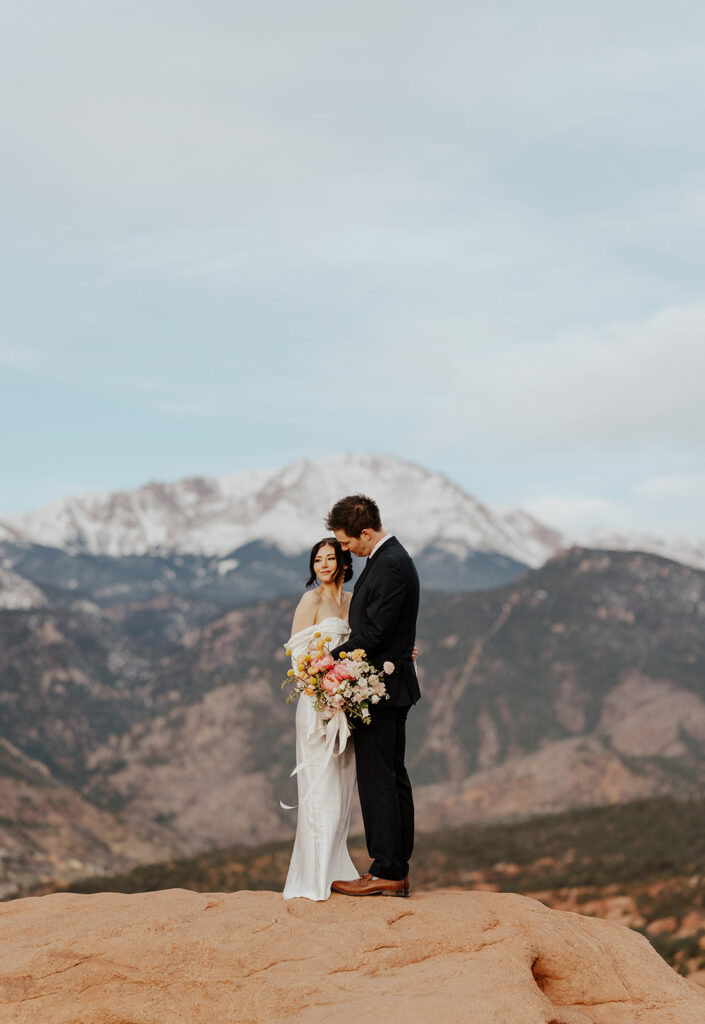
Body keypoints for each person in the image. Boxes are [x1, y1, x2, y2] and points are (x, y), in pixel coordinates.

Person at [326, 493, 420, 898]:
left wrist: (328, 661)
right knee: (391, 776)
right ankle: (394, 865)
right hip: (386, 685)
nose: (345, 551)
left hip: (382, 689)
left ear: (366, 532)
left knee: (379, 778)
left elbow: (376, 633)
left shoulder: (392, 565)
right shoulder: (385, 560)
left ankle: (387, 869)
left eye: (347, 543)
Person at [281, 537, 359, 900]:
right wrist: (322, 693)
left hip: (345, 706)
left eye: (331, 558)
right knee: (319, 788)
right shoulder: (310, 600)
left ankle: (335, 869)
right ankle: (313, 878)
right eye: (317, 559)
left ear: (343, 561)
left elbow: (363, 647)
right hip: (316, 704)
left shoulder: (351, 601)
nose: (324, 564)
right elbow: (297, 656)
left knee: (342, 790)